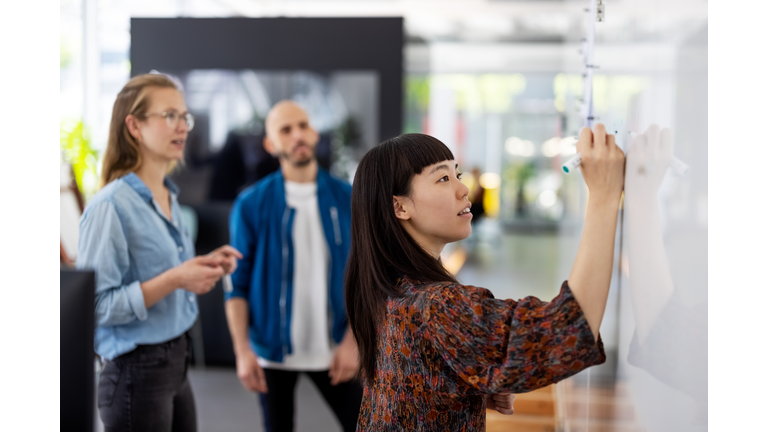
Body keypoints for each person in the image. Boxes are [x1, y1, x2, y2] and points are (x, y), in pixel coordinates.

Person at [345, 126, 625, 431]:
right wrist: (604, 197)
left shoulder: (388, 287)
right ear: (400, 206)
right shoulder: (439, 305)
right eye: (442, 178)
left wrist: (465, 379)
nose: (463, 189)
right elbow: (569, 327)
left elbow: (411, 385)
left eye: (457, 174)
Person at [77, 73, 242, 432]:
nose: (182, 126)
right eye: (169, 115)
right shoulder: (110, 205)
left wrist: (200, 266)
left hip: (176, 358)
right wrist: (175, 279)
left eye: (185, 117)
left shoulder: (168, 195)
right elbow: (94, 307)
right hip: (136, 369)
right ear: (134, 125)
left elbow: (164, 273)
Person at [225, 100, 363, 432]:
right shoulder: (251, 204)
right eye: (286, 130)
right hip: (272, 351)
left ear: (314, 133)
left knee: (366, 426)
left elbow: (366, 278)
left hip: (336, 348)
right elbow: (236, 284)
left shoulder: (348, 198)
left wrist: (353, 341)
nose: (297, 134)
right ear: (271, 144)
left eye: (303, 125)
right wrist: (243, 351)